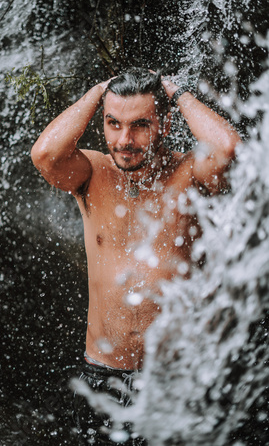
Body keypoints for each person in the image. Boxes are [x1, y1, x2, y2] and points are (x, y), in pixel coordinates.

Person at [31, 68, 241, 444]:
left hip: (174, 381)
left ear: (164, 123)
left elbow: (227, 148)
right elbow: (45, 153)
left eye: (140, 125)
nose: (124, 140)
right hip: (101, 374)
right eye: (113, 124)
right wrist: (99, 89)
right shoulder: (92, 173)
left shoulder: (190, 173)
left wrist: (175, 91)